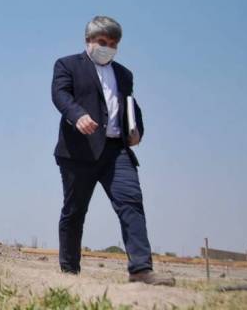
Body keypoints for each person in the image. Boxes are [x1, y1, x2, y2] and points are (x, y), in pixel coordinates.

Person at [51, 16, 174, 285]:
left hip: (116, 152)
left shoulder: (124, 74)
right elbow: (60, 95)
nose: (108, 47)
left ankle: (140, 269)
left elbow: (129, 106)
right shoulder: (67, 65)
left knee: (131, 202)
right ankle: (69, 271)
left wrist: (137, 130)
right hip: (79, 152)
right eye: (102, 41)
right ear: (88, 40)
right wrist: (77, 115)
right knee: (75, 211)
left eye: (113, 43)